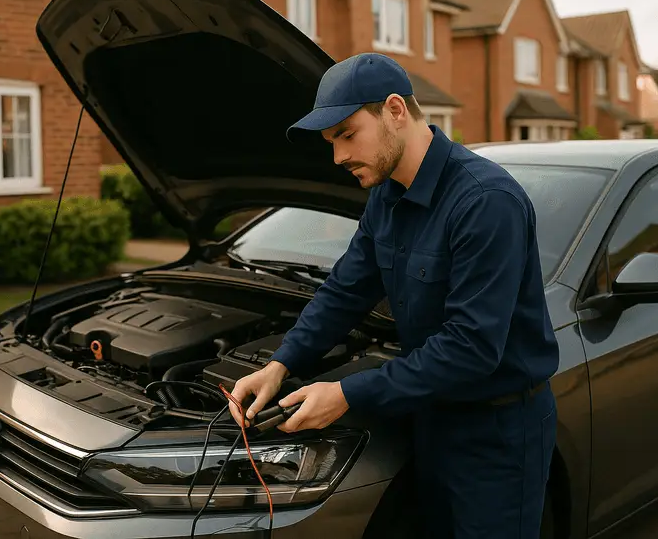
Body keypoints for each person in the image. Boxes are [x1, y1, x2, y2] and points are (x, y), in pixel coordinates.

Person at [228, 53, 560, 539]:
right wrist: (280, 364)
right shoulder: (387, 195)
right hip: (428, 421)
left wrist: (346, 394)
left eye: (347, 134)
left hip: (498, 435)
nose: (338, 157)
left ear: (395, 110)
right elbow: (346, 288)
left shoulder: (486, 202)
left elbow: (471, 347)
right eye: (331, 142)